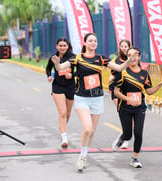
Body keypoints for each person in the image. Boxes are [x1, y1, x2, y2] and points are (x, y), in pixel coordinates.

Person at [51, 33, 137, 172]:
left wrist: (128, 61)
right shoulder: (77, 58)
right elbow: (61, 68)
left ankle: (84, 155)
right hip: (82, 97)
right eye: (90, 40)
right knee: (87, 128)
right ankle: (82, 157)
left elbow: (119, 68)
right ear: (85, 43)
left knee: (92, 131)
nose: (93, 42)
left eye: (95, 41)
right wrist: (56, 63)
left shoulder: (101, 59)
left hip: (97, 98)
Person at [112, 47, 162, 168]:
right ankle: (121, 139)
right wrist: (128, 99)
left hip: (139, 107)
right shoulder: (123, 72)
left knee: (138, 132)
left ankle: (135, 158)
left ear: (139, 57)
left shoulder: (144, 74)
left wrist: (160, 84)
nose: (132, 58)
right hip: (125, 107)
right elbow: (116, 92)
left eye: (134, 55)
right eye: (129, 55)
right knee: (128, 134)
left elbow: (149, 91)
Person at [45, 37, 75, 148]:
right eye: (60, 45)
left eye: (64, 45)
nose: (62, 47)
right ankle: (64, 136)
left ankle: (62, 128)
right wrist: (49, 76)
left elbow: (79, 71)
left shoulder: (73, 57)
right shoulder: (53, 57)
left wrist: (72, 75)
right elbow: (48, 68)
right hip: (57, 86)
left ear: (68, 46)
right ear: (57, 46)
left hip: (70, 86)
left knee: (67, 113)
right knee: (62, 112)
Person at [108, 39, 131, 149]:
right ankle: (125, 138)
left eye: (126, 46)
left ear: (129, 47)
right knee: (123, 113)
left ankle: (125, 135)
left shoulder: (133, 60)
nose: (124, 48)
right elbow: (112, 74)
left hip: (129, 90)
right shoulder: (115, 60)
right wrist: (111, 78)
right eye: (122, 46)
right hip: (116, 89)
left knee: (129, 115)